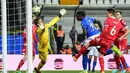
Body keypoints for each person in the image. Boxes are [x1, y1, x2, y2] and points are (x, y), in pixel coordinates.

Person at [73, 8, 125, 73]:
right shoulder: (88, 18)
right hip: (97, 34)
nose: (76, 18)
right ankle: (113, 48)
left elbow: (85, 33)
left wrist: (81, 41)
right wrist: (100, 29)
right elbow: (98, 21)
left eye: (77, 16)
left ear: (80, 16)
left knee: (85, 51)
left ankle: (83, 68)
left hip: (91, 37)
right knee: (101, 52)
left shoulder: (83, 22)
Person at [34, 9, 66, 73]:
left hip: (46, 46)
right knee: (44, 61)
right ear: (37, 24)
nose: (42, 22)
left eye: (42, 21)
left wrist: (59, 15)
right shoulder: (38, 29)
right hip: (42, 48)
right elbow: (42, 30)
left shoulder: (45, 26)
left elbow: (52, 22)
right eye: (40, 21)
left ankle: (37, 69)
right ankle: (37, 69)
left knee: (44, 61)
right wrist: (42, 27)